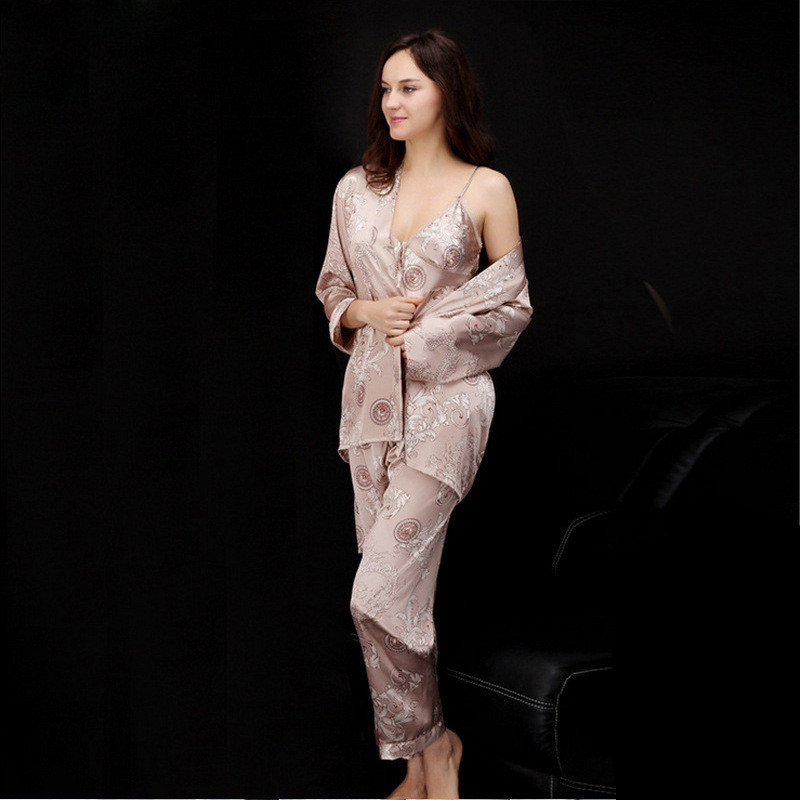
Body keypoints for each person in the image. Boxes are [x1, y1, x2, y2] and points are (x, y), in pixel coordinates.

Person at [315, 28, 533, 800]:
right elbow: (334, 289)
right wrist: (364, 312)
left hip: (448, 408)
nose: (392, 101)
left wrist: (430, 335)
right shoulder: (355, 189)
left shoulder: (487, 189)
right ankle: (422, 762)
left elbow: (511, 306)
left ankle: (434, 748)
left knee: (374, 595)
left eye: (409, 86)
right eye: (385, 88)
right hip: (370, 409)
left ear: (448, 91)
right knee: (398, 602)